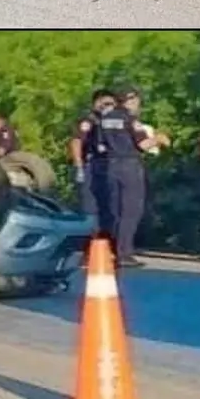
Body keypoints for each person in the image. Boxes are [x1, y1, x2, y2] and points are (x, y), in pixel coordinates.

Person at [106, 87, 170, 268]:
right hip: (129, 166)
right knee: (131, 210)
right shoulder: (131, 120)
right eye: (137, 102)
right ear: (130, 101)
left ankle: (113, 249)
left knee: (116, 210)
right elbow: (143, 144)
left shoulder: (106, 119)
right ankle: (124, 253)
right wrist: (159, 139)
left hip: (110, 165)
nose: (138, 106)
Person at [70, 90, 116, 230]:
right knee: (91, 206)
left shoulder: (113, 120)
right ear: (97, 103)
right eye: (106, 103)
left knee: (109, 203)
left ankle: (108, 241)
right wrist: (79, 166)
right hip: (91, 165)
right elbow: (76, 141)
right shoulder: (89, 120)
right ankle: (91, 240)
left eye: (112, 104)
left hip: (109, 165)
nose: (109, 107)